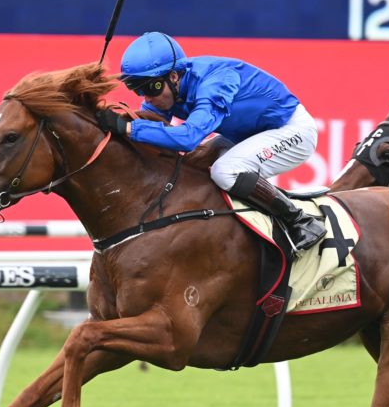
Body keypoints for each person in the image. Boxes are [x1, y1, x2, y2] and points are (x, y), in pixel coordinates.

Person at [95, 32, 325, 251]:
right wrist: (107, 120)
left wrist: (127, 128)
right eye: (138, 90)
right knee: (191, 164)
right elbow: (148, 126)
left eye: (151, 88)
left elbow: (188, 138)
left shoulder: (216, 82)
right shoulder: (167, 89)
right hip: (245, 134)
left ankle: (299, 221)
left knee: (225, 171)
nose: (147, 98)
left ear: (173, 77)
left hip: (291, 130)